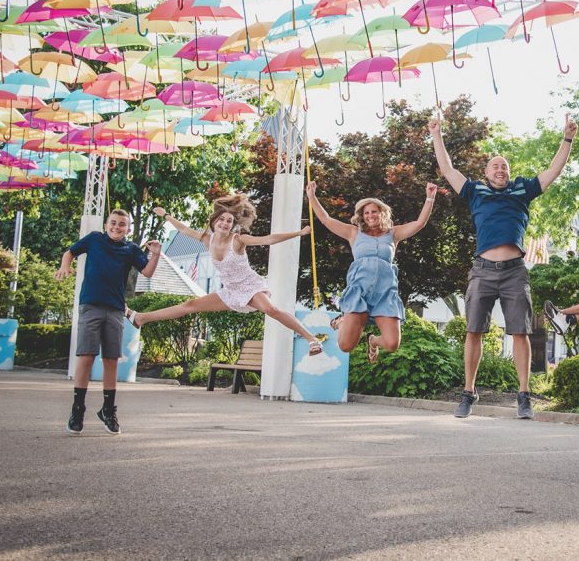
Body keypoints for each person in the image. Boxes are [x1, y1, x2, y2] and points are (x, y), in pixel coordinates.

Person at [430, 113, 577, 420]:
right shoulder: (475, 192)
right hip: (482, 270)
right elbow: (447, 169)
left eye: (505, 166)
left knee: (520, 332)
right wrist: (436, 135)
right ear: (486, 172)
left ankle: (523, 397)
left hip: (514, 272)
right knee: (474, 331)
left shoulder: (523, 190)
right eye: (495, 165)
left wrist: (568, 139)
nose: (500, 168)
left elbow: (554, 170)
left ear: (510, 173)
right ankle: (468, 393)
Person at [127, 195, 323, 359]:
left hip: (249, 286)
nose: (225, 223)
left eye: (229, 221)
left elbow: (269, 239)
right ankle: (141, 318)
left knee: (271, 309)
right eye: (221, 219)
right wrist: (166, 215)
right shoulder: (207, 239)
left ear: (232, 225)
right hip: (230, 291)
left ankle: (312, 339)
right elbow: (184, 230)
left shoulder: (238, 240)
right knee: (190, 305)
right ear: (214, 222)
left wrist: (299, 232)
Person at [55, 208, 161, 436]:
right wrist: (65, 265)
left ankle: (108, 410)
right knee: (86, 356)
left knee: (111, 359)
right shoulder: (94, 240)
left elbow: (148, 272)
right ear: (106, 224)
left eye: (122, 224)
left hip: (115, 309)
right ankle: (77, 409)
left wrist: (156, 255)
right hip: (91, 305)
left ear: (128, 229)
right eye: (113, 222)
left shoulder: (130, 249)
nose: (117, 227)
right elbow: (70, 252)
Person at [305, 180, 437, 363]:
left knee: (392, 344)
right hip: (360, 292)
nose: (370, 215)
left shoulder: (393, 234)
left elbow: (420, 223)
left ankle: (373, 340)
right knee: (345, 346)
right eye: (366, 213)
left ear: (381, 213)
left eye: (374, 211)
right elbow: (326, 220)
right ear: (362, 216)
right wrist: (312, 197)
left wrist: (430, 197)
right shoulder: (353, 233)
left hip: (385, 294)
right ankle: (342, 321)